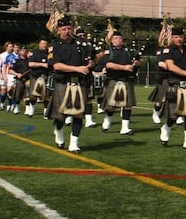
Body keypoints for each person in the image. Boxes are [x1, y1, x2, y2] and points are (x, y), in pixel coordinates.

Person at [47, 16, 95, 153]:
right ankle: (59, 132)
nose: (67, 31)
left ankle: (74, 143)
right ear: (59, 31)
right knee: (61, 115)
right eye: (64, 29)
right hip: (63, 82)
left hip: (81, 83)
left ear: (73, 29)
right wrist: (77, 69)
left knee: (78, 114)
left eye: (69, 28)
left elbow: (91, 59)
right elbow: (56, 66)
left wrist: (91, 63)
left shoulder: (82, 44)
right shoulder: (55, 46)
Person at [100, 30, 140, 135]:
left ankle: (125, 128)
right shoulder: (109, 51)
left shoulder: (128, 51)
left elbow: (139, 60)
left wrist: (136, 63)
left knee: (128, 105)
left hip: (126, 80)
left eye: (120, 38)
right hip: (114, 80)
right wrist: (124, 67)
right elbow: (109, 65)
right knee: (111, 105)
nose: (118, 40)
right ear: (111, 40)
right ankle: (108, 120)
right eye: (116, 38)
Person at [26, 39, 50, 118]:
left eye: (45, 44)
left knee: (47, 95)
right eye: (42, 43)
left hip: (46, 75)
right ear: (39, 44)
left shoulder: (50, 54)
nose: (44, 45)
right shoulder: (35, 53)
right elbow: (30, 64)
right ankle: (31, 110)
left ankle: (46, 113)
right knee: (33, 94)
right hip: (35, 75)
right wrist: (42, 65)